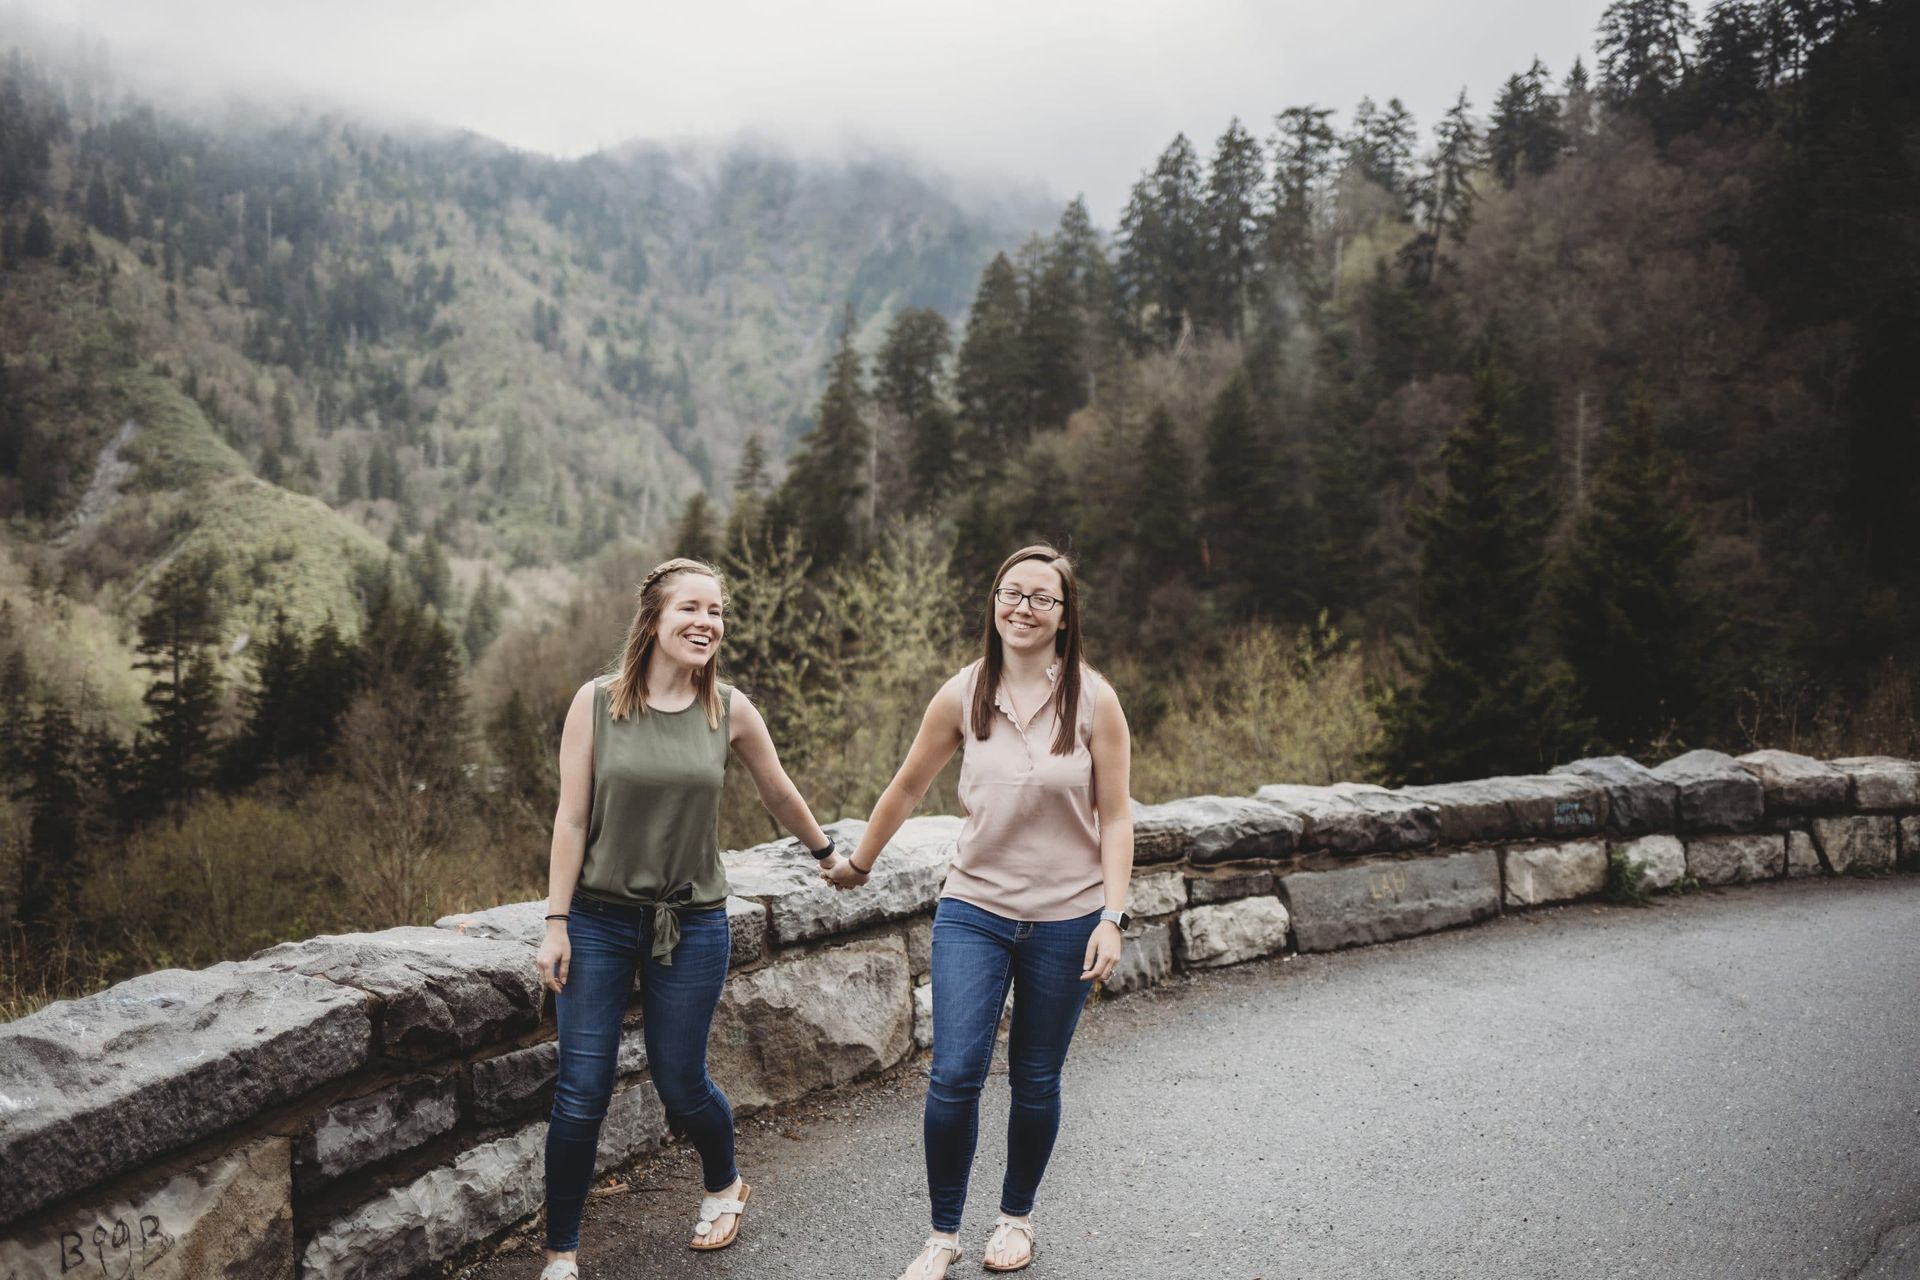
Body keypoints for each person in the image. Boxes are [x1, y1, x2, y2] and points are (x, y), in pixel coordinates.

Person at [825, 544, 1135, 1277]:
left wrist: (1112, 918)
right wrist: (859, 862)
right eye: (1011, 593)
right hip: (974, 909)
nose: (1023, 608)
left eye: (1041, 598)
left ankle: (1015, 1221)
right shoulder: (961, 694)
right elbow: (906, 788)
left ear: (1065, 617)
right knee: (955, 1072)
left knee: (1035, 1078)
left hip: (1068, 919)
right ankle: (941, 1236)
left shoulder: (1095, 699)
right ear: (993, 600)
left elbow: (1117, 818)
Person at [533, 557, 846, 1280]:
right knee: (582, 1092)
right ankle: (561, 1254)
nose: (707, 622)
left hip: (693, 922)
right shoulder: (597, 703)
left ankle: (724, 1181)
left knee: (680, 1082)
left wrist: (829, 853)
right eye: (691, 609)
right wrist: (555, 921)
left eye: (716, 611)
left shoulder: (729, 709)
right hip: (598, 921)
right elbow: (572, 819)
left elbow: (780, 793)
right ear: (654, 620)